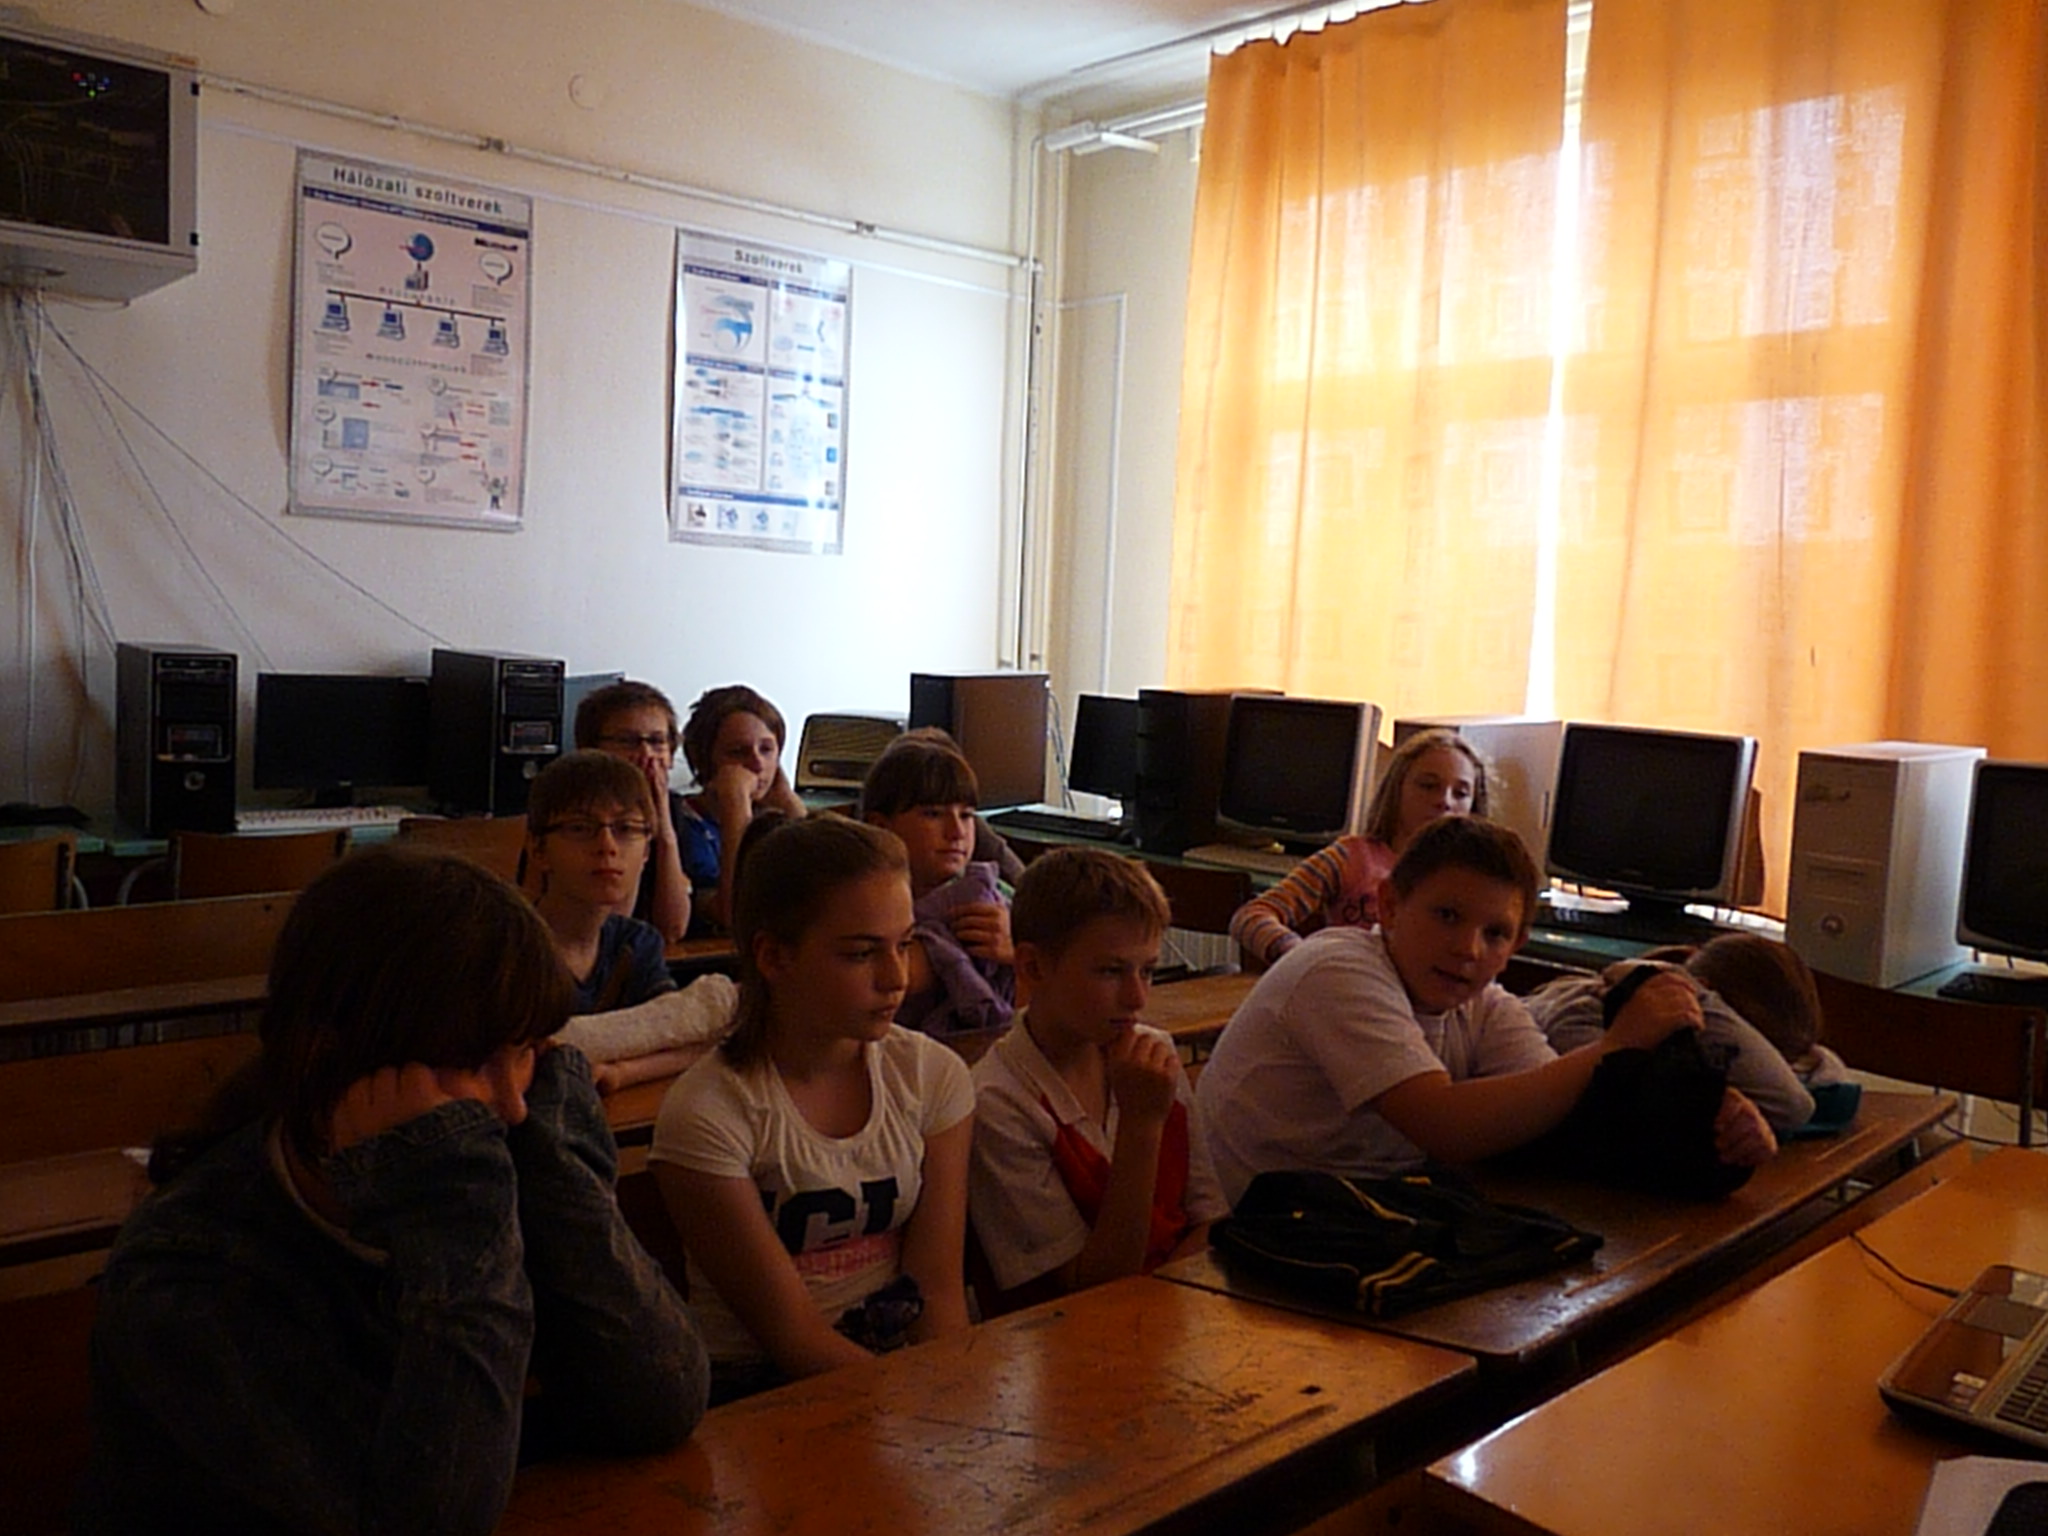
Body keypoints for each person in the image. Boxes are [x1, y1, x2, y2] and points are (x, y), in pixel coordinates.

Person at [77, 846, 709, 1535]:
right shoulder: (189, 1272)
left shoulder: (501, 1152)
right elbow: (432, 1522)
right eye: (470, 1062)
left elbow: (661, 1400)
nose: (513, 1106)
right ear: (335, 1058)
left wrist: (555, 1168)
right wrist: (454, 1217)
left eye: (527, 1051)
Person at [1197, 817, 1777, 1204]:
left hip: (1362, 1217)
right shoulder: (1337, 969)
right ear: (1390, 906)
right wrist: (1617, 1045)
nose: (1468, 949)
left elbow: (1559, 1104)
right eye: (1447, 916)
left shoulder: (1484, 1004)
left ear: (1516, 944)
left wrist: (1713, 1116)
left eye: (1495, 933)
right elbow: (1444, 1125)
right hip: (1243, 1236)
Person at [650, 814, 974, 1403]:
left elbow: (937, 1291)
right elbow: (793, 1337)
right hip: (760, 1392)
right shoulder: (709, 1111)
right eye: (861, 954)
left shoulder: (930, 1075)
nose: (896, 978)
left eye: (904, 945)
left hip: (895, 1367)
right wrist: (914, 1415)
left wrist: (947, 1397)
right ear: (775, 957)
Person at [969, 848, 1226, 1309]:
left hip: (1172, 1308)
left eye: (1148, 971)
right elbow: (1095, 1288)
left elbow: (1208, 1219)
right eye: (1111, 971)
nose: (1137, 998)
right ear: (1033, 967)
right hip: (1061, 1334)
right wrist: (1141, 1125)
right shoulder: (999, 1100)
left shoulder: (1153, 1052)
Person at [528, 751, 735, 1094]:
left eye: (626, 829)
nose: (607, 846)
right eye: (580, 828)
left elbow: (693, 1039)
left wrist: (621, 1073)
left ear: (646, 853)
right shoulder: (509, 949)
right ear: (539, 849)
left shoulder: (635, 943)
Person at [1521, 931, 1842, 1136]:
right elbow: (1792, 1105)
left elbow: (1819, 1064)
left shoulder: (1667, 1035)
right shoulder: (1585, 1015)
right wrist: (1687, 988)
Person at [1229, 727, 1490, 969]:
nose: (1444, 802)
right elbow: (1251, 916)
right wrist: (1298, 954)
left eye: (1460, 793)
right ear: (1397, 788)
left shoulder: (1472, 880)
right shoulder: (1351, 857)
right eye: (1428, 786)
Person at [861, 727, 1015, 1037]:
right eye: (933, 814)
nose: (956, 832)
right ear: (881, 826)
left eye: (967, 815)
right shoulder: (858, 900)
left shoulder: (992, 894)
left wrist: (1016, 951)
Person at [678, 683, 808, 931]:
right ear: (705, 761)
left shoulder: (773, 815)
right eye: (738, 752)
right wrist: (735, 806)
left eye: (766, 749)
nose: (758, 764)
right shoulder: (685, 825)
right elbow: (733, 914)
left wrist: (792, 809)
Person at [573, 679, 693, 942]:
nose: (646, 754)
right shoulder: (574, 815)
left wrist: (662, 827)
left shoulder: (673, 809)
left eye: (657, 741)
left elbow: (672, 927)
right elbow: (610, 929)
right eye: (628, 742)